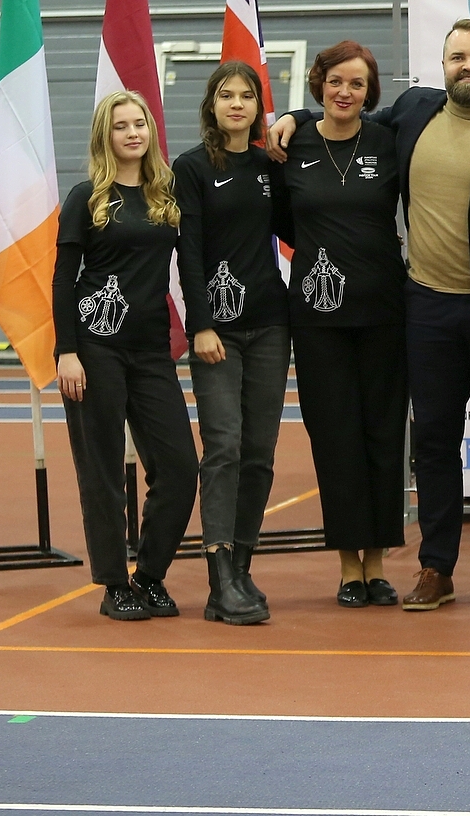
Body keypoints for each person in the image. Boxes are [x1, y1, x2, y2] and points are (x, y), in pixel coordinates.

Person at [269, 20, 470, 610]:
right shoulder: (414, 111)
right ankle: (436, 568)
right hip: (426, 305)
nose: (469, 66)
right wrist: (293, 116)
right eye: (458, 56)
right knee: (433, 444)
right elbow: (344, 116)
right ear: (442, 66)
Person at [54, 90, 198, 622]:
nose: (133, 132)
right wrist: (67, 351)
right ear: (105, 135)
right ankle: (115, 584)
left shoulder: (165, 194)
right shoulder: (86, 198)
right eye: (121, 126)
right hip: (95, 350)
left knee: (180, 468)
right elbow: (63, 280)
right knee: (103, 471)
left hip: (151, 350)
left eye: (139, 123)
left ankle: (150, 576)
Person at [275, 40, 407, 607]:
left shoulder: (388, 141)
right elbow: (281, 221)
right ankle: (349, 567)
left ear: (370, 91)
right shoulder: (293, 145)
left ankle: (378, 565)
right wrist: (293, 116)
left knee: (383, 435)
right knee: (335, 439)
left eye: (357, 84)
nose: (345, 92)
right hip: (318, 318)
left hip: (384, 312)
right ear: (319, 85)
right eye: (335, 82)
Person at [173, 61, 290, 626]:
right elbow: (189, 252)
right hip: (217, 331)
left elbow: (298, 226)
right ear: (212, 106)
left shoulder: (271, 165)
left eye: (246, 96)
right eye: (226, 95)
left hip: (270, 324)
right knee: (223, 446)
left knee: (259, 453)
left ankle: (242, 568)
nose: (237, 104)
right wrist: (201, 324)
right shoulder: (192, 167)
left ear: (258, 108)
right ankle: (219, 577)